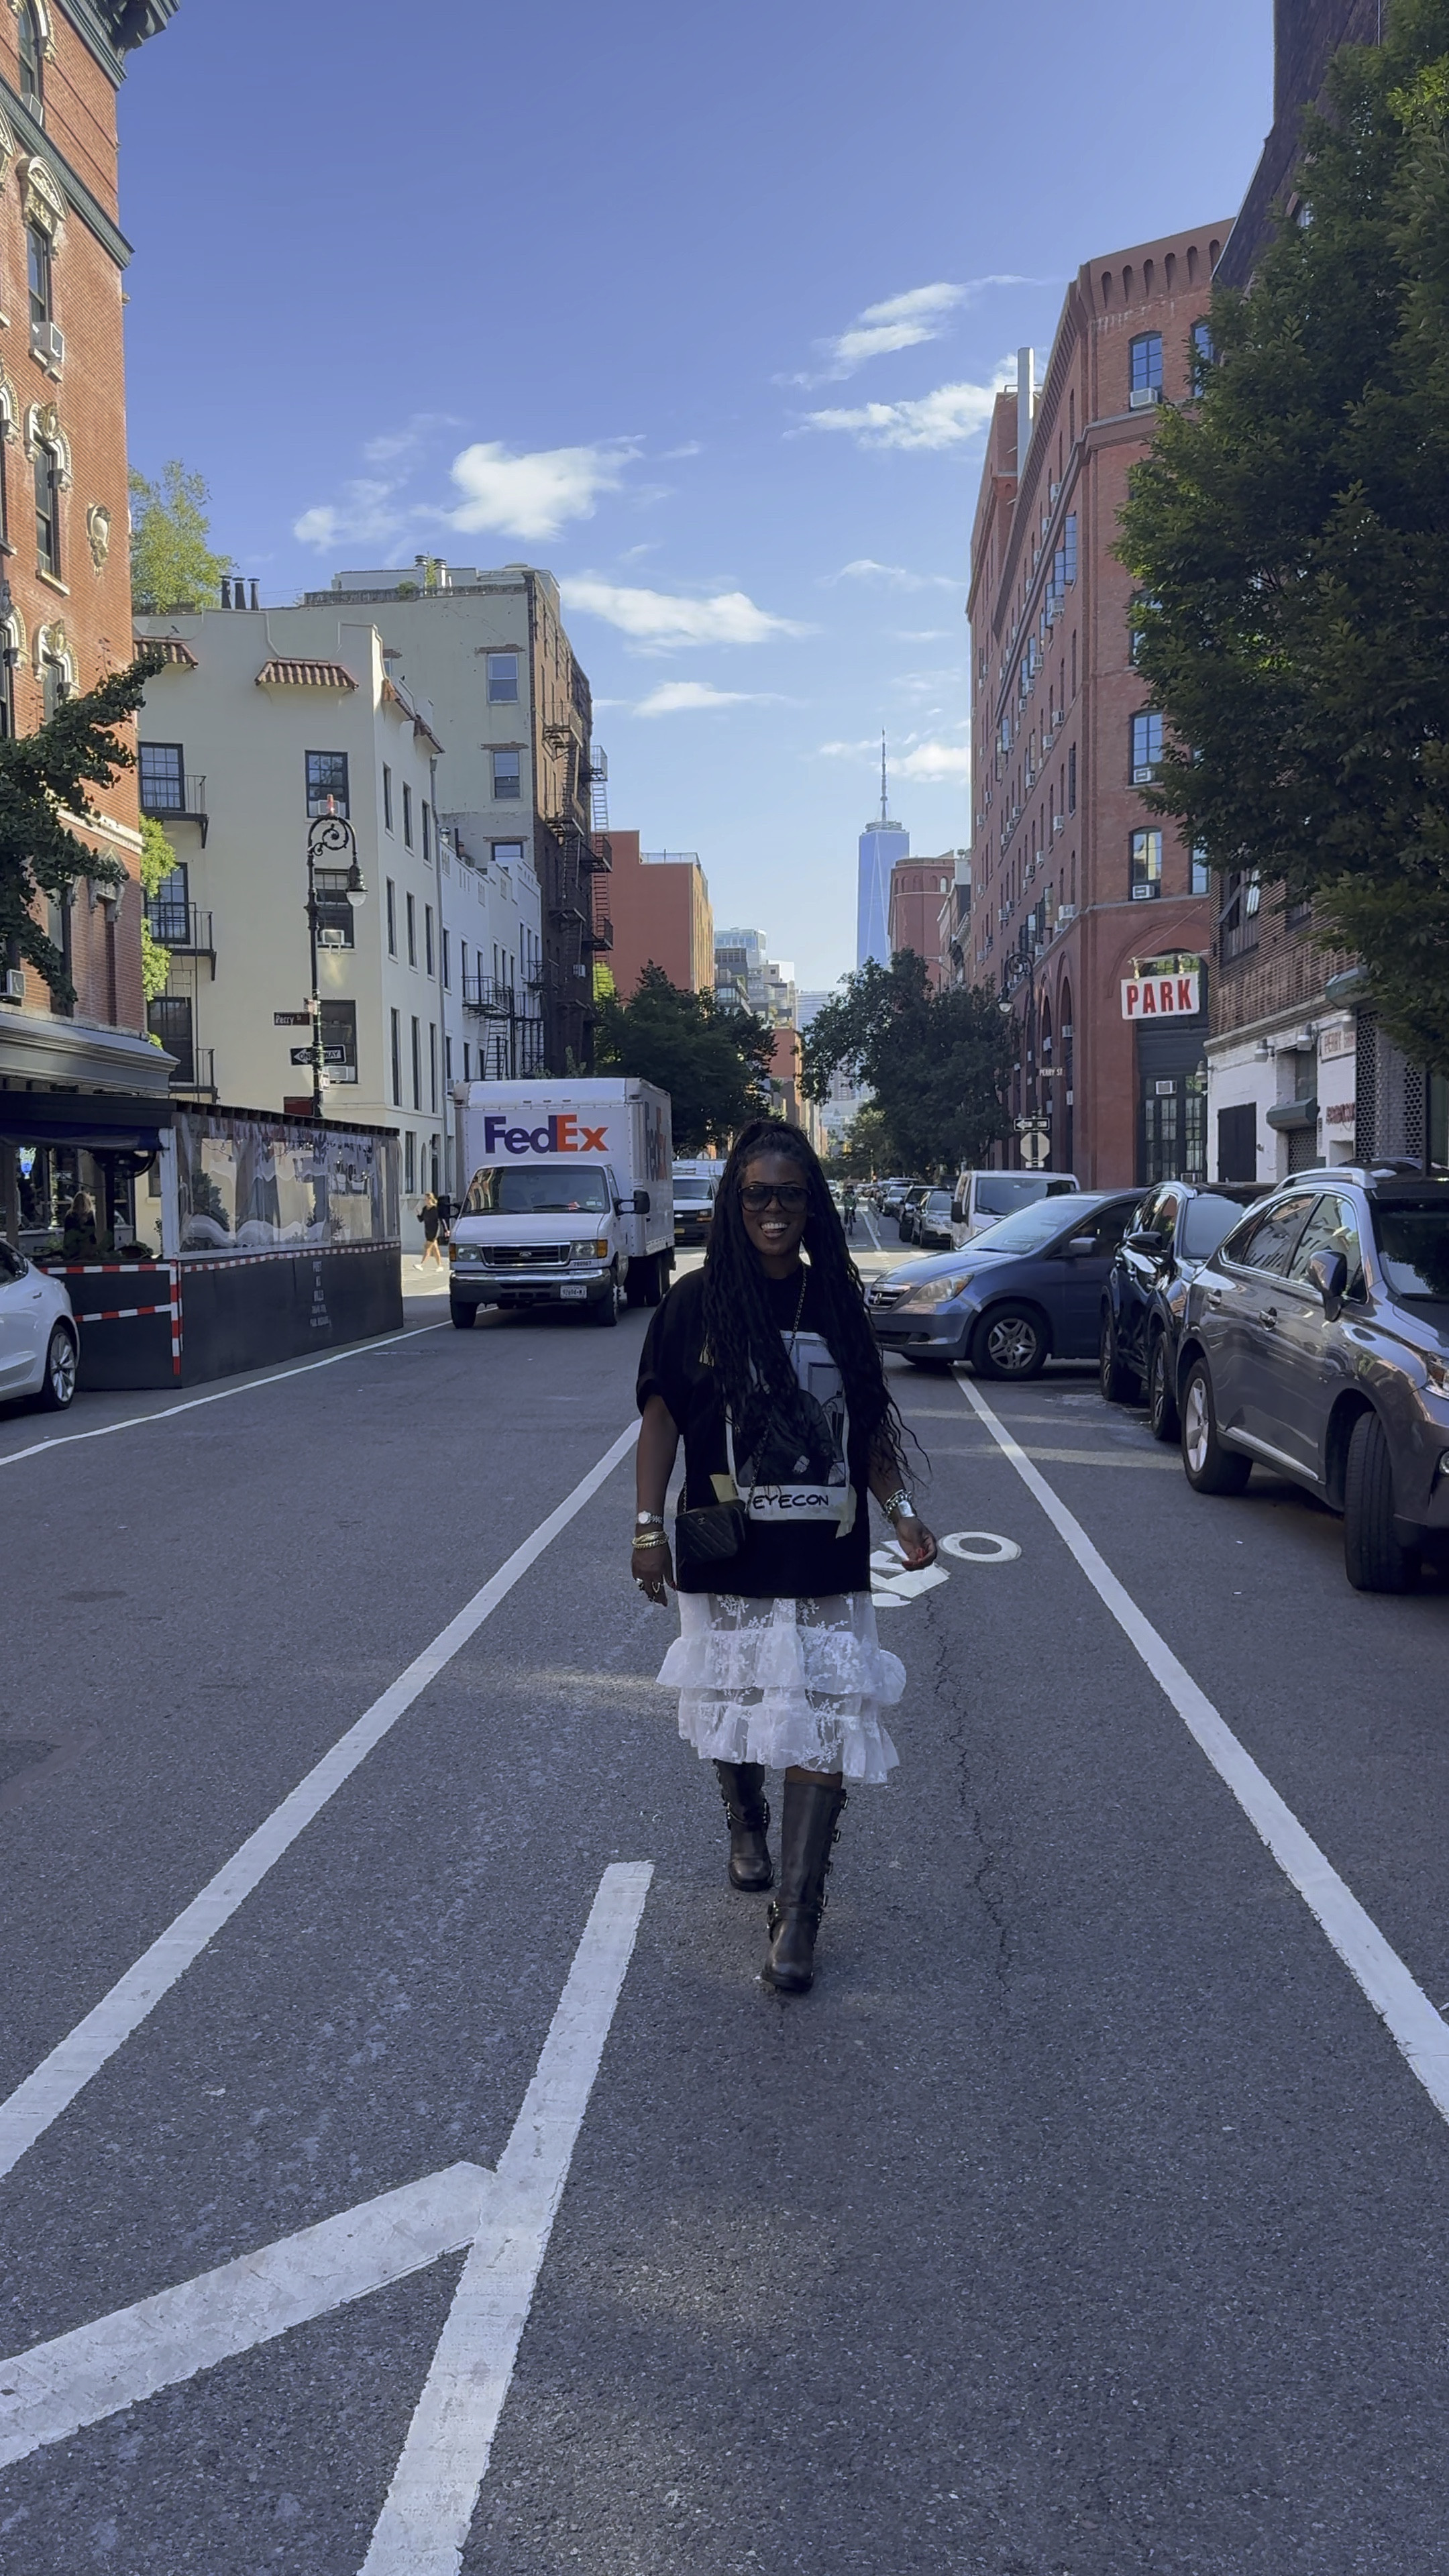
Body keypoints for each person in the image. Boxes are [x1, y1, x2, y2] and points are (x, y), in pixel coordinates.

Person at [633, 1118, 937, 1996]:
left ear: (812, 1208)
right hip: (728, 1542)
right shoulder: (694, 1303)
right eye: (757, 1195)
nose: (773, 1210)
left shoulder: (833, 1301)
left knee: (824, 1710)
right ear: (734, 1204)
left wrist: (903, 1514)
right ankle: (744, 1816)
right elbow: (661, 1420)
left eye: (790, 1196)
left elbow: (865, 1428)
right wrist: (647, 1529)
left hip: (823, 1550)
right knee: (736, 1689)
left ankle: (798, 1915)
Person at [62, 1190, 99, 1260]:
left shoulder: (70, 1216)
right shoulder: (90, 1215)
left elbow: (67, 1234)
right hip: (87, 1249)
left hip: (72, 1248)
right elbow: (92, 1233)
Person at [417, 1191, 444, 1271]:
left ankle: (421, 1265)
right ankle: (440, 1266)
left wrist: (446, 1230)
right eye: (425, 1199)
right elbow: (421, 1220)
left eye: (426, 1199)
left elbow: (441, 1219)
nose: (425, 1201)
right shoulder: (425, 1209)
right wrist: (418, 1214)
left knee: (427, 1248)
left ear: (430, 1199)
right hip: (427, 1231)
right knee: (435, 1249)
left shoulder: (435, 1209)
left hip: (434, 1231)